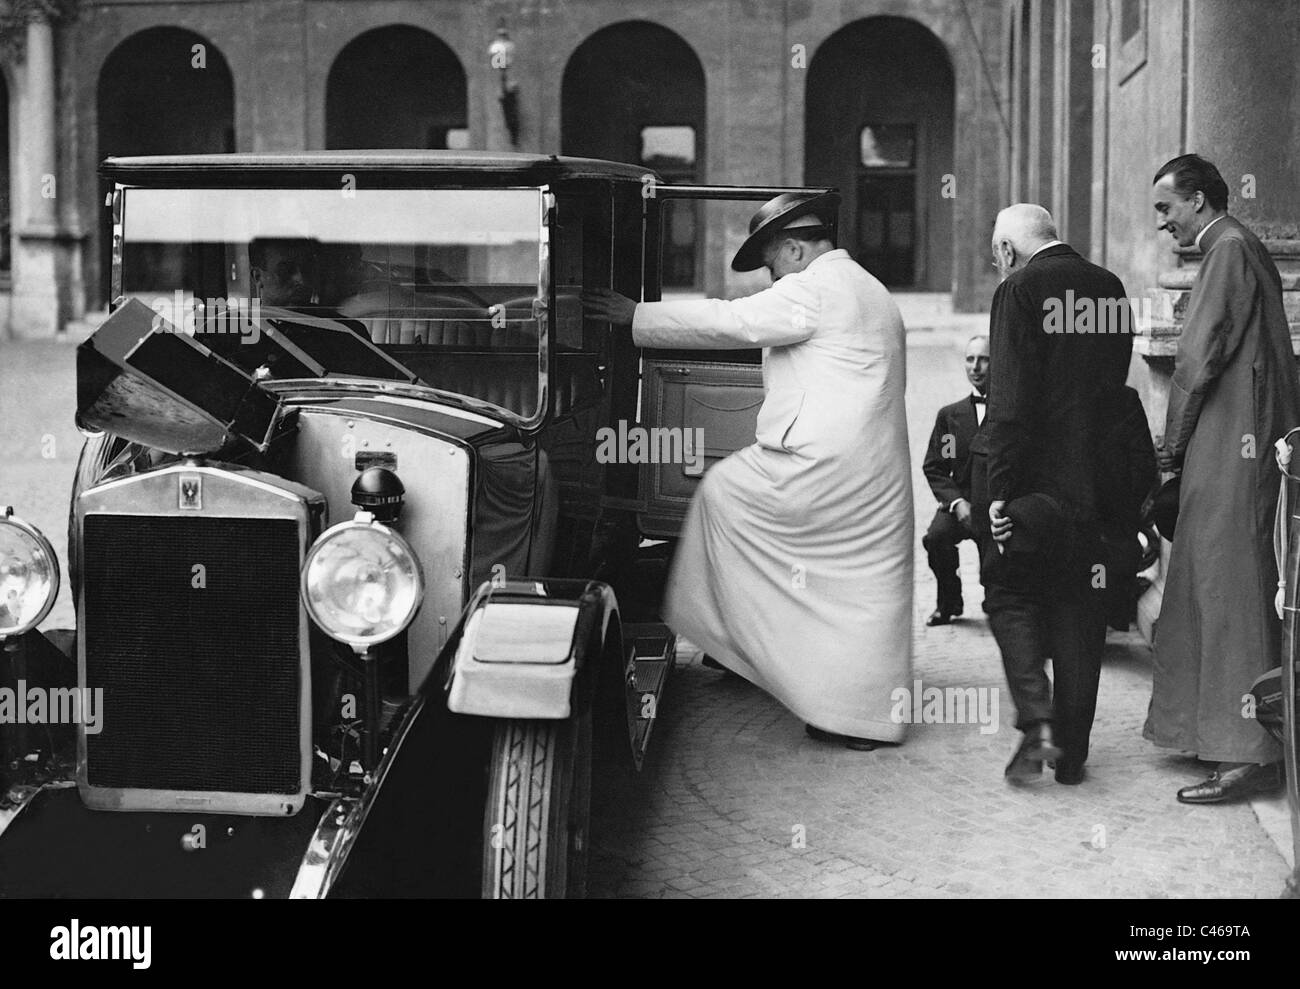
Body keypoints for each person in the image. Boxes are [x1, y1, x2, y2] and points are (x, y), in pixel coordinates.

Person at [583, 192, 913, 750]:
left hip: (819, 470)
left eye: (772, 264)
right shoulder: (871, 289)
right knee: (864, 593)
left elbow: (730, 321)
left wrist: (634, 316)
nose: (771, 277)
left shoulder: (812, 288)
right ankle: (862, 716)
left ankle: (738, 642)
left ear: (793, 248)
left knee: (723, 495)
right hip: (877, 476)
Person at [1145, 153, 1300, 803]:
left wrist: (1170, 449)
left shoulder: (1227, 251)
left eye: (1167, 208)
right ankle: (1222, 735)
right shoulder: (1241, 247)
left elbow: (1196, 360)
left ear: (1200, 201)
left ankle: (1247, 752)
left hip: (1231, 448)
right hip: (1245, 442)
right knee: (1222, 583)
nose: (1163, 223)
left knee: (1228, 589)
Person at [974, 204, 1132, 786]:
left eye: (996, 257)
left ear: (1009, 252)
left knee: (1009, 594)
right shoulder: (1109, 287)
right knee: (1081, 610)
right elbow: (1115, 391)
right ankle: (1074, 753)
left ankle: (1036, 721)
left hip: (1037, 494)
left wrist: (1000, 492)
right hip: (1099, 488)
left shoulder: (1019, 290)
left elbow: (1010, 403)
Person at [921, 335, 989, 626]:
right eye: (970, 359)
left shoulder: (1008, 413)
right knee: (936, 538)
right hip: (961, 502)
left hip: (997, 504)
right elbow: (936, 466)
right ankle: (949, 601)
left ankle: (997, 598)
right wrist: (956, 502)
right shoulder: (951, 417)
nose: (976, 367)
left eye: (984, 359)